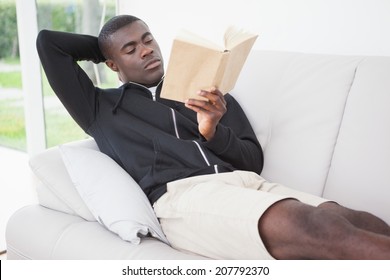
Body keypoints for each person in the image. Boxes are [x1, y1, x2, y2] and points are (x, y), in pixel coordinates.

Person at [36, 14, 390, 260]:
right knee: (314, 226)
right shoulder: (100, 108)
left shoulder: (206, 92)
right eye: (130, 50)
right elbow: (49, 43)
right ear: (110, 64)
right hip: (183, 199)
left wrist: (212, 130)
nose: (145, 50)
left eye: (148, 40)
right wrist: (105, 45)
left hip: (244, 182)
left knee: (350, 219)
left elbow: (252, 161)